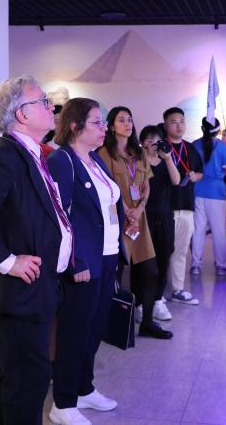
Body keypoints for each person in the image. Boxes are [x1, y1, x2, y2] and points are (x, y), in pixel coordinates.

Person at [0, 75, 72, 425]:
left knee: (21, 381)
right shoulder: (4, 154)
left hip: (37, 287)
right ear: (22, 113)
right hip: (20, 290)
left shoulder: (29, 153)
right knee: (26, 383)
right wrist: (6, 261)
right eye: (43, 102)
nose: (52, 108)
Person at [47, 98, 126, 425]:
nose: (104, 127)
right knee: (74, 331)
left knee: (94, 328)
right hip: (83, 261)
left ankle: (84, 388)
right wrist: (76, 261)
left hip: (107, 256)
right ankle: (63, 402)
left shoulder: (94, 159)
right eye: (97, 122)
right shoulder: (62, 160)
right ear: (75, 125)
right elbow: (60, 216)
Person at [98, 107, 173, 339]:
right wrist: (126, 210)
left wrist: (139, 209)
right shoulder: (103, 153)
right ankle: (108, 326)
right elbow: (106, 187)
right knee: (115, 274)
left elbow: (146, 185)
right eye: (121, 120)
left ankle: (147, 323)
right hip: (117, 219)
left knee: (150, 270)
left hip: (139, 220)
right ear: (111, 126)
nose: (127, 124)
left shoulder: (138, 153)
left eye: (129, 119)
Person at [139, 125, 181, 321]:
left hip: (164, 218)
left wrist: (168, 158)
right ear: (142, 142)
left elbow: (176, 181)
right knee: (143, 262)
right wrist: (143, 156)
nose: (154, 144)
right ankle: (140, 302)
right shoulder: (137, 161)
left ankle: (157, 300)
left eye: (157, 140)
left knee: (163, 260)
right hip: (143, 217)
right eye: (149, 140)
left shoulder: (166, 161)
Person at [163, 107, 204, 305]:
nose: (179, 126)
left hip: (186, 206)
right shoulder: (161, 148)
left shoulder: (190, 148)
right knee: (162, 250)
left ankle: (177, 289)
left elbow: (200, 172)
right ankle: (156, 293)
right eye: (174, 122)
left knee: (180, 250)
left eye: (181, 121)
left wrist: (196, 176)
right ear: (165, 125)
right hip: (165, 208)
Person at [190, 117, 226, 276]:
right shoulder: (223, 147)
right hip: (217, 192)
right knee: (219, 230)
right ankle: (221, 265)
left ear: (202, 129)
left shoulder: (194, 145)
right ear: (218, 131)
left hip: (198, 191)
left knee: (198, 230)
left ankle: (195, 265)